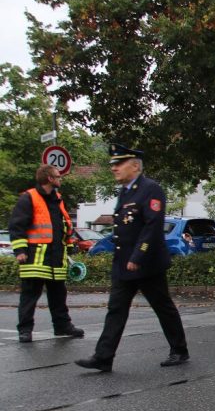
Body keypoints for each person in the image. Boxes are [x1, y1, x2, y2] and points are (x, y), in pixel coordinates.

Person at [75, 144, 189, 371]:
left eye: (119, 164)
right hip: (123, 263)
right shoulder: (126, 192)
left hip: (147, 264)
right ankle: (103, 357)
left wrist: (138, 255)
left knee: (162, 306)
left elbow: (152, 225)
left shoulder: (151, 189)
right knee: (116, 309)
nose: (114, 168)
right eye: (113, 164)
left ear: (135, 165)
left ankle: (179, 349)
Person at [8, 164, 85, 344]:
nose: (60, 179)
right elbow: (17, 226)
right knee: (30, 295)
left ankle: (62, 326)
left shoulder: (56, 199)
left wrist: (68, 244)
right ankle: (25, 330)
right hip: (36, 257)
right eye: (58, 176)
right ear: (49, 178)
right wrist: (20, 251)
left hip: (56, 257)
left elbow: (61, 226)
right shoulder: (29, 198)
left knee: (59, 294)